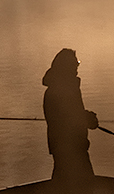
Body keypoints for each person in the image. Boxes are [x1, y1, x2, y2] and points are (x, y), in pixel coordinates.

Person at [41, 47, 99, 185]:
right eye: (75, 64)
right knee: (83, 183)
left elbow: (72, 114)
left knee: (62, 180)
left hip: (64, 145)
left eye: (77, 63)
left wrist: (85, 117)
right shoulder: (64, 89)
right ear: (66, 67)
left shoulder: (60, 87)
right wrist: (87, 119)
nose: (77, 67)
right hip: (70, 145)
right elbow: (68, 117)